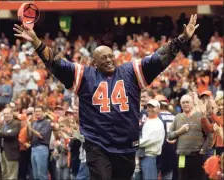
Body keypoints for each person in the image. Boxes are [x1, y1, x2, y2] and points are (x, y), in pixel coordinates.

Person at [13, 14, 199, 180]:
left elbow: (159, 58)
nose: (109, 60)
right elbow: (56, 63)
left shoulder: (131, 72)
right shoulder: (85, 76)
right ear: (94, 63)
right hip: (98, 144)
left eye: (111, 56)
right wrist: (37, 43)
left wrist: (181, 39)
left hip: (126, 145)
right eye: (104, 58)